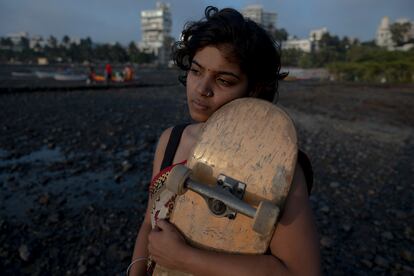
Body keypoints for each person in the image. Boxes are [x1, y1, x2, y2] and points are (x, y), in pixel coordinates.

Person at [130, 6, 320, 276]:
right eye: (196, 71)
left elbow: (302, 272)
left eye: (223, 80)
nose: (201, 89)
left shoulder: (278, 165)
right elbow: (150, 222)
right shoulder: (170, 140)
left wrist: (184, 259)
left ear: (254, 88)